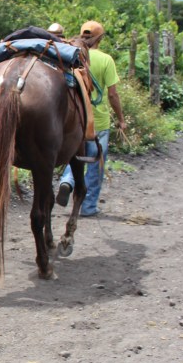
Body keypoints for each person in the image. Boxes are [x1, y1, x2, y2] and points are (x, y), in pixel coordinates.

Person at [55, 20, 126, 217]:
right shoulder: (106, 60)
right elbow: (112, 95)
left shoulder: (71, 55)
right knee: (95, 164)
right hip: (98, 122)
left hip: (75, 118)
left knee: (74, 155)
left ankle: (67, 181)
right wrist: (121, 119)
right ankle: (88, 207)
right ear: (100, 38)